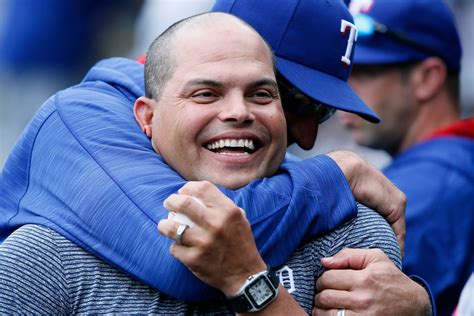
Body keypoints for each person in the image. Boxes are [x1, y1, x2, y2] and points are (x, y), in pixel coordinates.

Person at [0, 0, 429, 313]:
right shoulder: (78, 118)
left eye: (323, 111)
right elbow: (187, 250)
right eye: (299, 100)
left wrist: (421, 305)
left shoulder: (349, 224)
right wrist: (336, 175)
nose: (309, 137)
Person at [337, 0, 474, 314]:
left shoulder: (423, 188)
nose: (343, 92)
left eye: (364, 72)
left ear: (428, 77)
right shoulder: (458, 159)